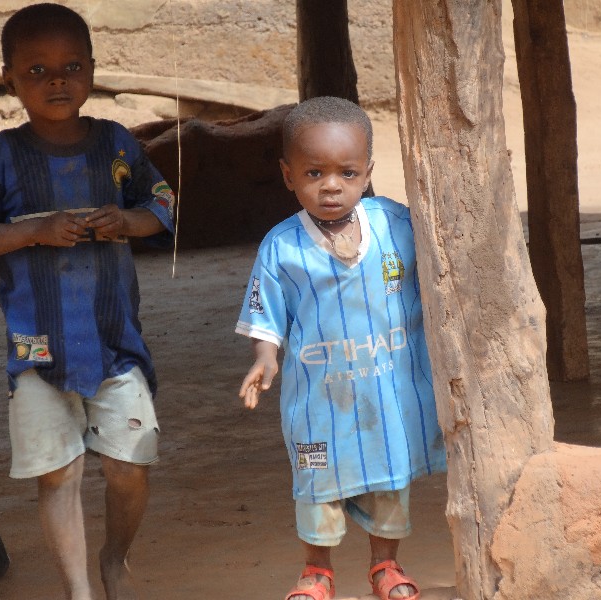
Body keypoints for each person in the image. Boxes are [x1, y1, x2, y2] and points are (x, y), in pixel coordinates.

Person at [0, 4, 175, 599]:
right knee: (59, 473)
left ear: (93, 70)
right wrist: (34, 230)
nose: (57, 80)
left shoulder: (116, 144)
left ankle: (114, 558)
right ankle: (79, 590)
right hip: (37, 347)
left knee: (130, 466)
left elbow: (162, 205)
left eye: (71, 66)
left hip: (114, 341)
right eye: (37, 70)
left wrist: (126, 221)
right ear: (9, 80)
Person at [236, 96, 446, 600]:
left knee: (389, 478)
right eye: (314, 173)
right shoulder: (282, 247)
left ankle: (385, 566)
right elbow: (266, 314)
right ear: (288, 175)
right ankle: (317, 572)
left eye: (347, 173)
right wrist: (265, 358)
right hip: (320, 400)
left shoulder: (396, 225)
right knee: (316, 487)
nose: (331, 185)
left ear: (367, 173)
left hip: (386, 393)